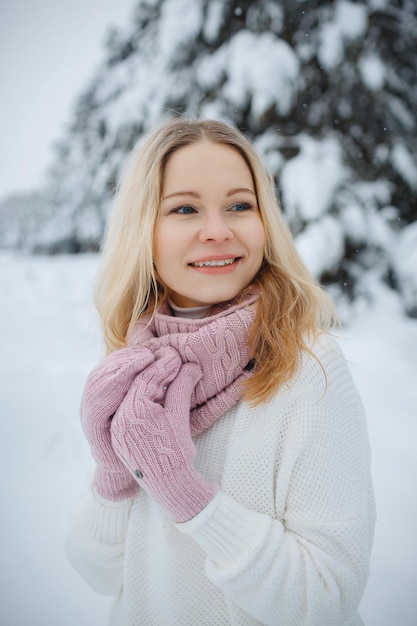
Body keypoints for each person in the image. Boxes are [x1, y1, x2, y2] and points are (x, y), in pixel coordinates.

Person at [66, 118, 375, 626]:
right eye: (185, 208)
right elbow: (97, 574)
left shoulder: (309, 370)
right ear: (144, 229)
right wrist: (113, 470)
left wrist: (189, 498)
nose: (218, 230)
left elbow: (327, 597)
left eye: (239, 205)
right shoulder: (136, 371)